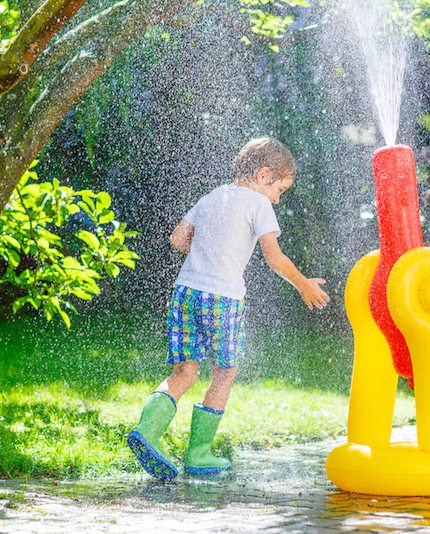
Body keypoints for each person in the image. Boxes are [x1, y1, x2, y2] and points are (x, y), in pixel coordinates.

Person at [127, 137, 330, 480]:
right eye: (280, 189)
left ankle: (146, 432)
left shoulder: (212, 197)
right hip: (223, 299)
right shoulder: (258, 204)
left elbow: (177, 238)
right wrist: (304, 284)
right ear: (264, 174)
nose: (278, 198)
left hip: (186, 292)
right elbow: (274, 258)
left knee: (184, 373)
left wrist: (208, 249)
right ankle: (199, 453)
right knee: (224, 372)